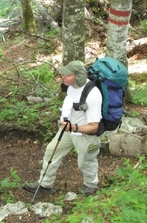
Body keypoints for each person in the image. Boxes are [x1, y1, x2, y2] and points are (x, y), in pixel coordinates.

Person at [24, 60, 102, 196]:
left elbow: (94, 127)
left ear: (78, 76)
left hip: (85, 134)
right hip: (68, 129)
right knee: (51, 151)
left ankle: (90, 185)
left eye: (67, 75)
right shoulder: (72, 87)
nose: (63, 77)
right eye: (63, 75)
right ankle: (45, 184)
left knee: (85, 161)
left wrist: (73, 127)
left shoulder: (93, 95)